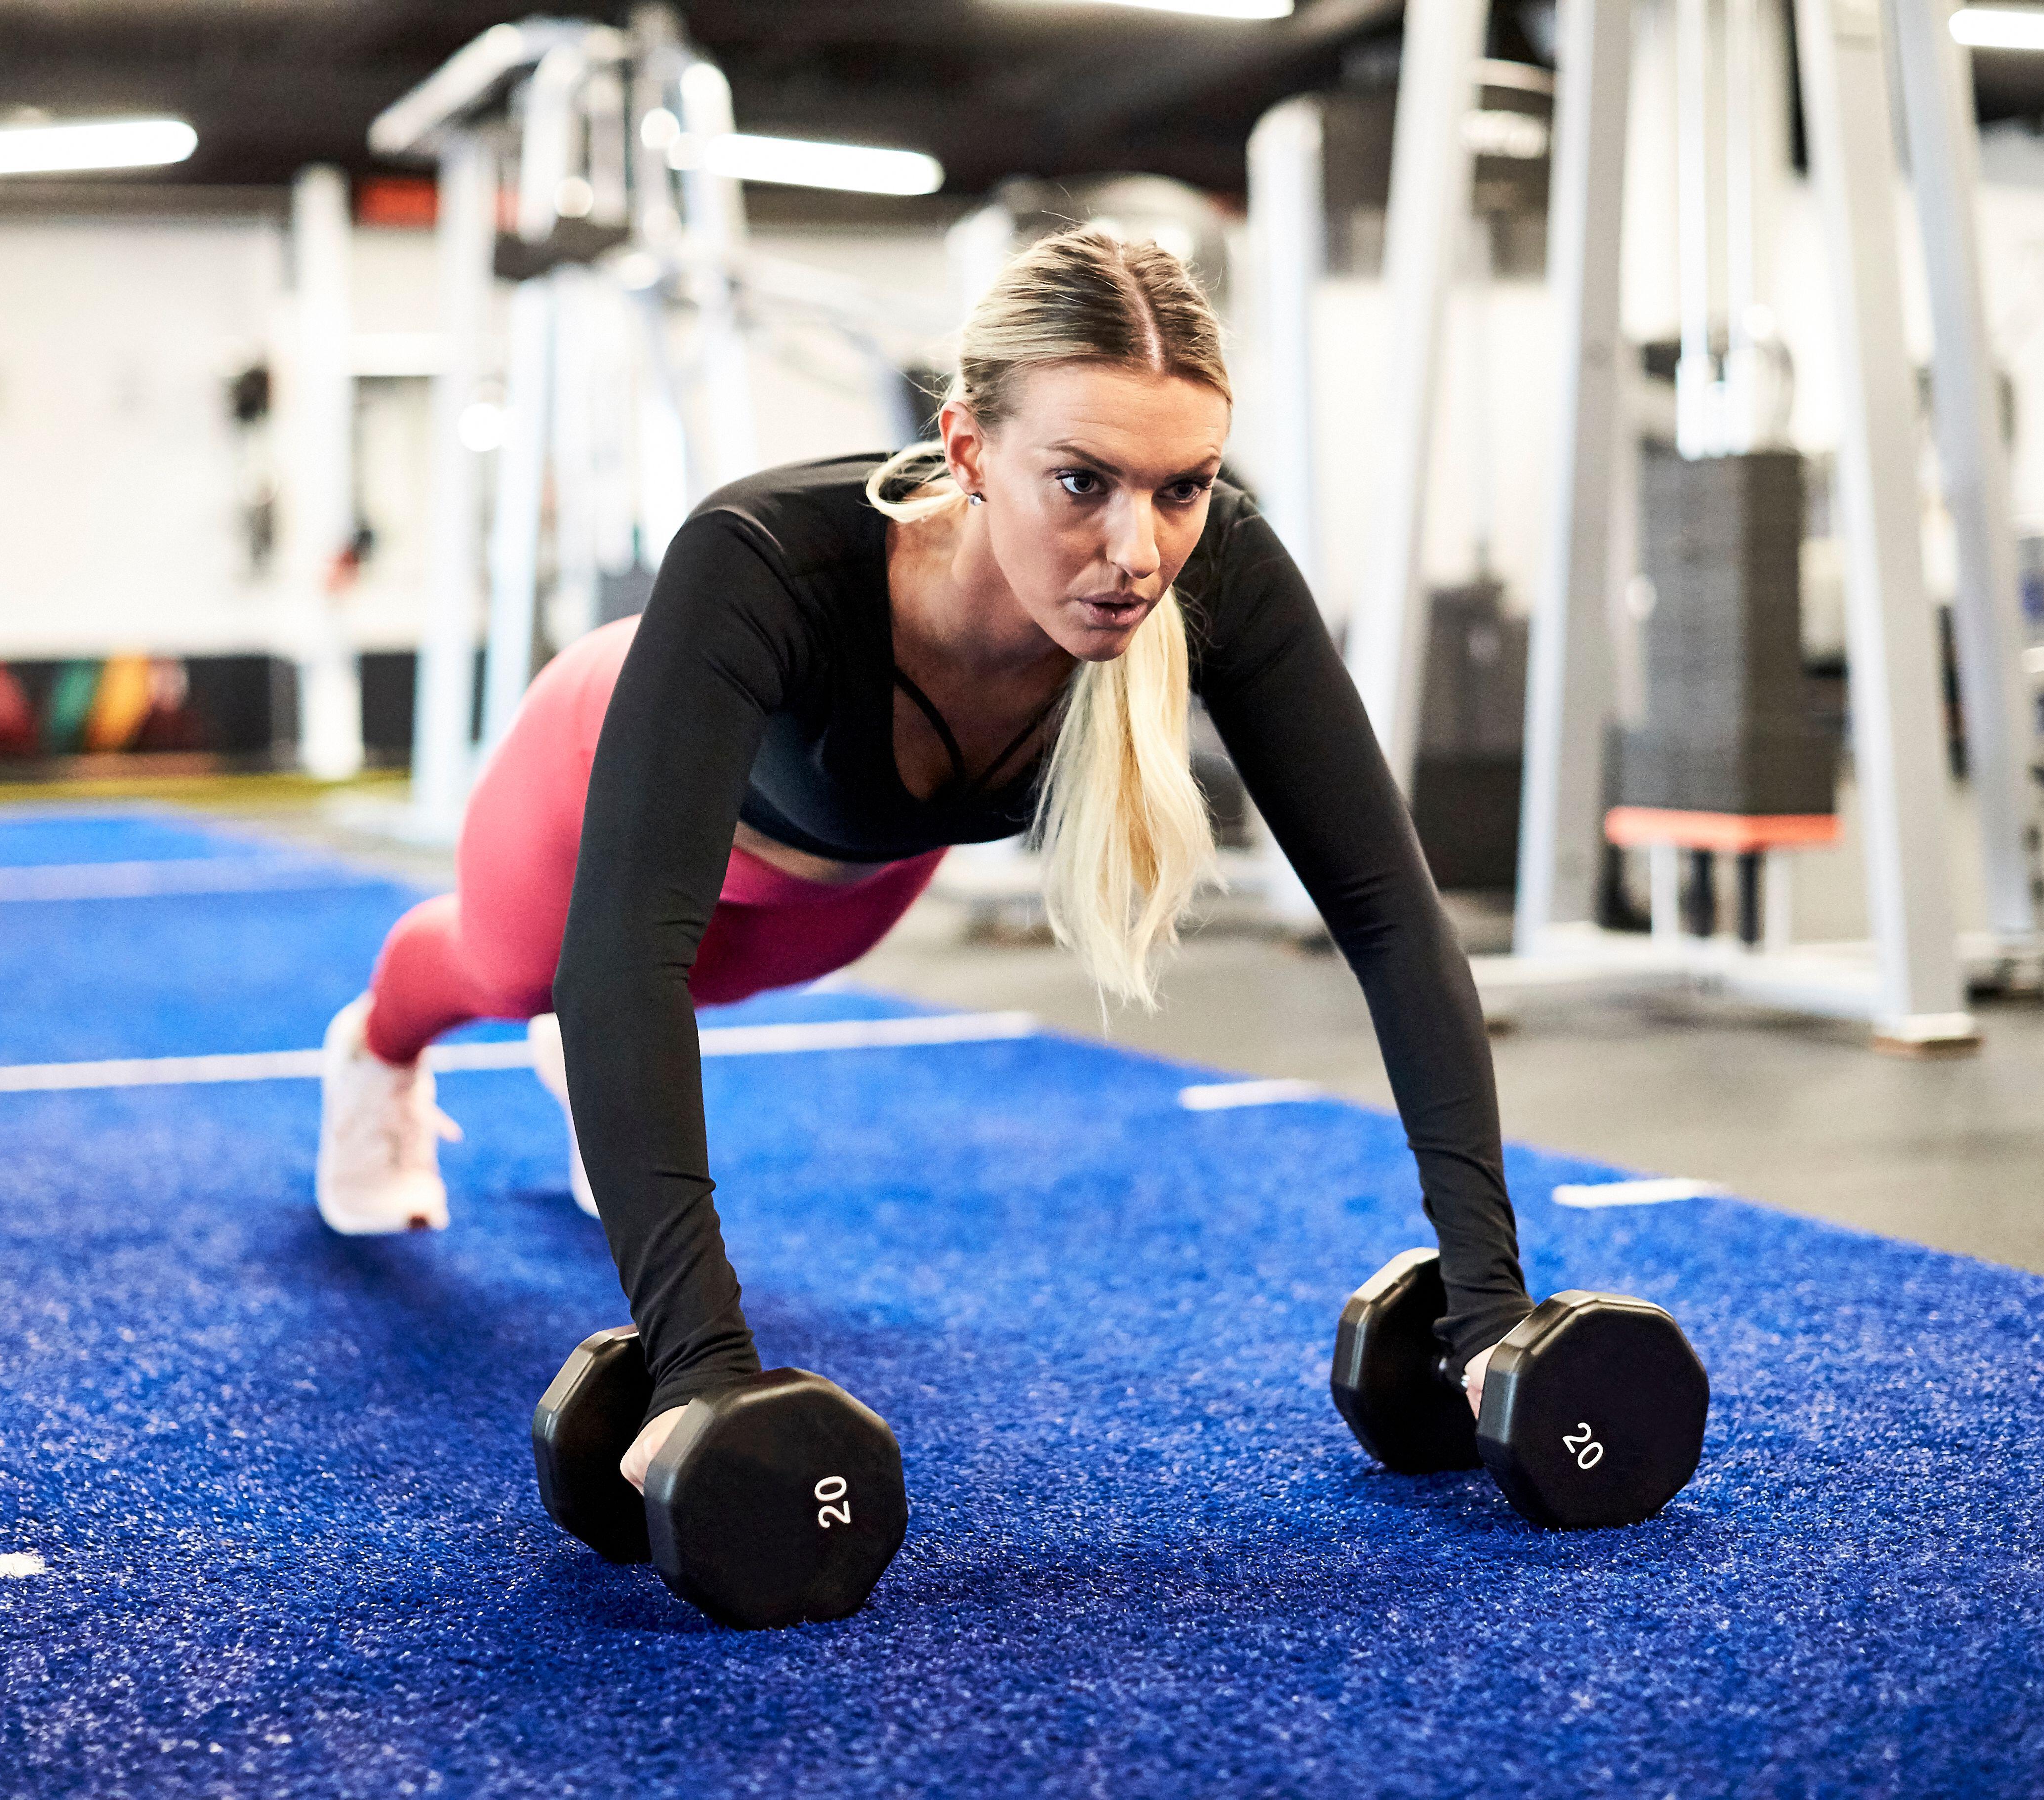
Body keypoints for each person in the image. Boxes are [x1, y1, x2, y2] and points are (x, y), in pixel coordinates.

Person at [317, 226, 1533, 1493]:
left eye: (1180, 487)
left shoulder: (1217, 566)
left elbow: (1387, 910)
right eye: (1082, 482)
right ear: (967, 450)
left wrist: (1489, 1310)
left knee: (696, 994)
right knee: (524, 970)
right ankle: (379, 1053)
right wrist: (699, 1365)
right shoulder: (766, 556)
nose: (1138, 552)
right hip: (595, 770)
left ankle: (592, 1072)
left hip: (851, 875)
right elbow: (626, 948)